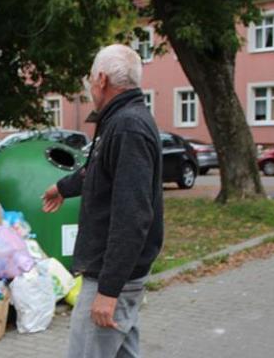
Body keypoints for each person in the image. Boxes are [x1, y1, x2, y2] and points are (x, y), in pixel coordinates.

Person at [42, 44, 163, 358]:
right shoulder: (119, 120)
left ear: (101, 79)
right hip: (119, 274)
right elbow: (99, 171)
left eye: (90, 77)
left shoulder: (128, 127)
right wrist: (63, 187)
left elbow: (133, 216)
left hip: (112, 277)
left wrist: (109, 291)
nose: (89, 84)